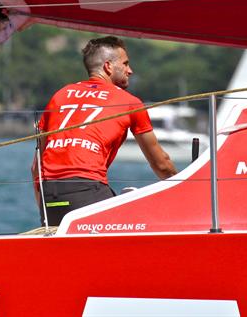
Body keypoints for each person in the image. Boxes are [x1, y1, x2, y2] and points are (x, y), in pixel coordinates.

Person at [32, 36, 177, 226]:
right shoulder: (129, 102)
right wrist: (186, 191)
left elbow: (36, 168)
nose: (130, 70)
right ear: (108, 67)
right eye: (125, 64)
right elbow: (162, 165)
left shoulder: (60, 95)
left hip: (49, 194)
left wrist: (44, 210)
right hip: (86, 190)